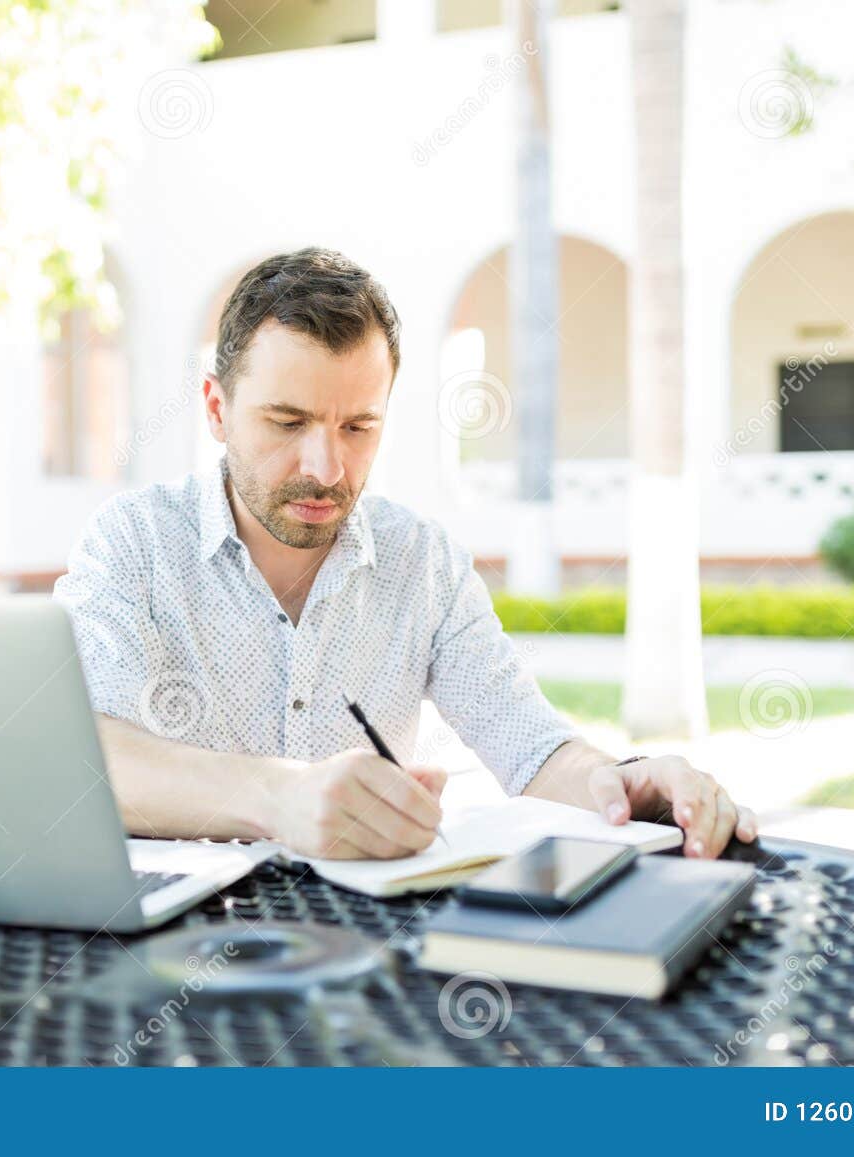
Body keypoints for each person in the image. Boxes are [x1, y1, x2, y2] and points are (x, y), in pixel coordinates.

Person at [54, 248, 757, 861]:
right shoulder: (132, 545)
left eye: (358, 425)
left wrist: (621, 780)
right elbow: (81, 760)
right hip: (172, 955)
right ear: (215, 408)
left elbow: (530, 746)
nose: (327, 467)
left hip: (365, 954)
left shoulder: (423, 564)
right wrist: (281, 797)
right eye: (287, 422)